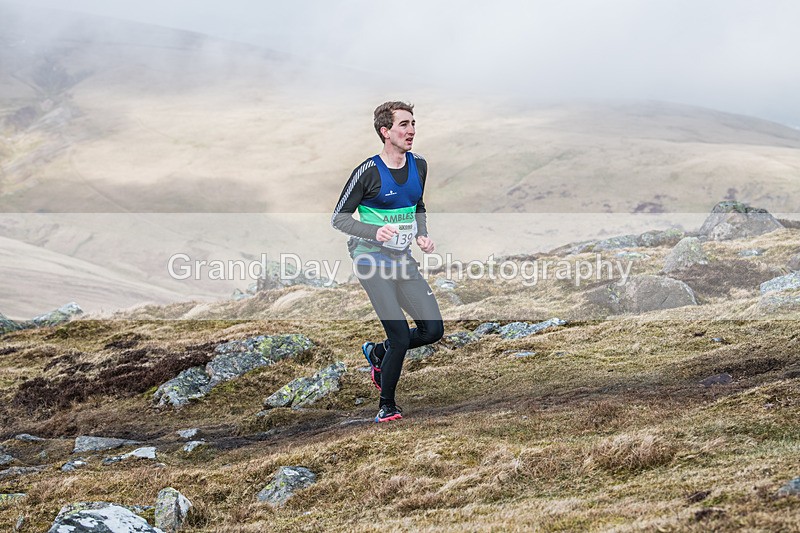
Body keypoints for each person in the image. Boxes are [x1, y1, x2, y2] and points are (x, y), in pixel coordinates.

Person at [331, 101, 444, 423]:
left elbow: (417, 204)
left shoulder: (419, 165)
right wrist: (374, 231)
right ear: (385, 132)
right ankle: (387, 406)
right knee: (398, 335)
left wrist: (422, 235)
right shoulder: (367, 172)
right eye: (403, 125)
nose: (411, 131)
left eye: (413, 124)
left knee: (432, 330)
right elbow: (338, 220)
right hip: (370, 257)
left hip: (403, 258)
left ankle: (378, 354)